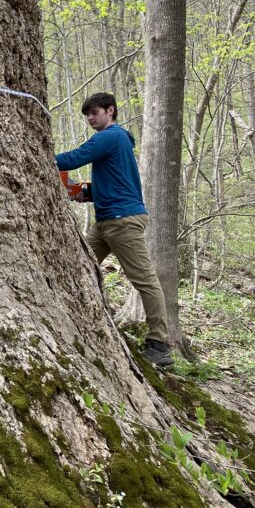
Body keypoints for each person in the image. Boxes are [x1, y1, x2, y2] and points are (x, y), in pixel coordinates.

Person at [55, 92, 173, 368]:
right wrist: (85, 192)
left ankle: (160, 345)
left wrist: (39, 156)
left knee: (144, 280)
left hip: (122, 221)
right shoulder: (117, 144)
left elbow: (74, 158)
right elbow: (117, 184)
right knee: (78, 267)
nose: (90, 118)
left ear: (110, 111)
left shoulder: (111, 136)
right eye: (87, 115)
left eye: (94, 112)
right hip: (107, 220)